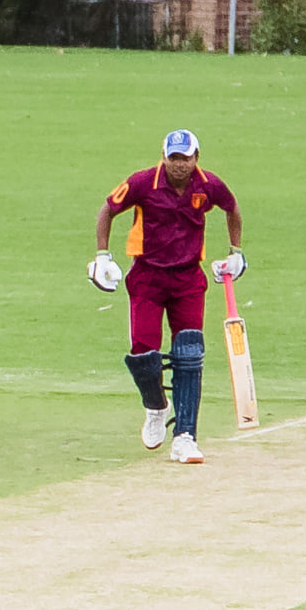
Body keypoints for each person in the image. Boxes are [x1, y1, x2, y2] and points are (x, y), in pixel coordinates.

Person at [90, 128, 243, 464]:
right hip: (147, 276)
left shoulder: (209, 185)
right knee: (143, 354)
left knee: (190, 354)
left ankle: (185, 436)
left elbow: (232, 208)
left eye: (185, 158)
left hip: (188, 278)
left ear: (196, 158)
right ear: (164, 157)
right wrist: (102, 256)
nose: (179, 165)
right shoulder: (144, 182)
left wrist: (235, 252)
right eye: (173, 158)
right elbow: (107, 209)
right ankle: (157, 405)